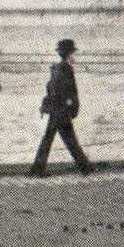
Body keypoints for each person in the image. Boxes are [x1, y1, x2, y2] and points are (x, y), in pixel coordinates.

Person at [30, 38, 92, 177]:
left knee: (63, 139)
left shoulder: (57, 69)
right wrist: (69, 103)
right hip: (61, 111)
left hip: (57, 110)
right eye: (73, 53)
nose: (75, 56)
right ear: (69, 54)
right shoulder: (66, 69)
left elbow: (51, 88)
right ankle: (84, 168)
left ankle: (84, 167)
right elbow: (64, 90)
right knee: (64, 140)